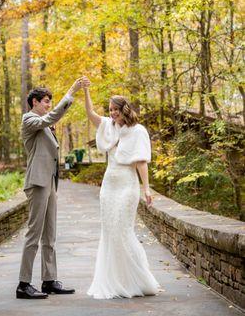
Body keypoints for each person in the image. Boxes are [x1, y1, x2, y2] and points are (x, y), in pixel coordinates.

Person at [83, 84, 162, 299]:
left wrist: (146, 189)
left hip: (127, 184)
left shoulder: (138, 131)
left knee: (122, 230)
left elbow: (141, 162)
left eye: (115, 109)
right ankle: (114, 282)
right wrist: (86, 90)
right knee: (109, 231)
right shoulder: (108, 126)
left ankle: (138, 279)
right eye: (109, 110)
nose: (112, 113)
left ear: (124, 109)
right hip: (109, 185)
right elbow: (90, 113)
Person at [16, 77, 89, 299]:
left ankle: (49, 280)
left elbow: (50, 122)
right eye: (46, 101)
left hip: (50, 182)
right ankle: (23, 284)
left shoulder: (44, 124)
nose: (48, 104)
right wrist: (72, 90)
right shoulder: (29, 119)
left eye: (50, 101)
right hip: (38, 182)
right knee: (33, 234)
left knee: (50, 234)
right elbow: (51, 117)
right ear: (35, 103)